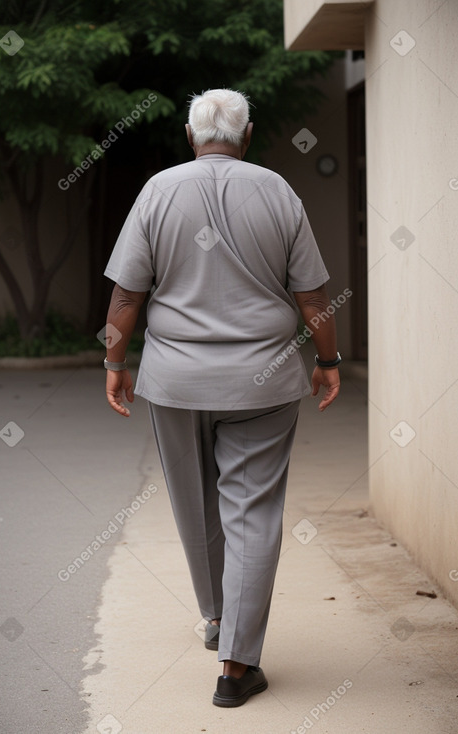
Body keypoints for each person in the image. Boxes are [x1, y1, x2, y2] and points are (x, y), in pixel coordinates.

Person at [103, 88, 340, 708]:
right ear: (249, 134)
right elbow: (313, 296)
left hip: (176, 382)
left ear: (190, 136)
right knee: (253, 514)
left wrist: (114, 360)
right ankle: (236, 666)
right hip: (262, 382)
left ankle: (216, 617)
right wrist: (329, 360)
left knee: (194, 504)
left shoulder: (158, 190)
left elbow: (127, 296)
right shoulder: (278, 191)